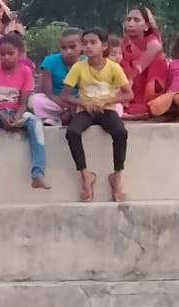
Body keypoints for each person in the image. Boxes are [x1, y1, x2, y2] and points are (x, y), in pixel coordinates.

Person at [61, 28, 133, 203]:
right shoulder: (79, 67)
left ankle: (117, 177)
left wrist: (107, 100)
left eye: (93, 43)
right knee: (72, 132)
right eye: (85, 43)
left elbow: (128, 94)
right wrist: (83, 103)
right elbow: (65, 95)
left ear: (104, 46)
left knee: (120, 132)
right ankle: (86, 175)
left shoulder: (113, 67)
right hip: (86, 110)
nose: (88, 46)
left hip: (107, 110)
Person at [0, 33, 50, 193]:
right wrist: (2, 117)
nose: (6, 57)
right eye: (2, 54)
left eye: (11, 53)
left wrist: (17, 116)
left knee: (36, 124)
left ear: (19, 53)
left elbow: (23, 104)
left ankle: (38, 174)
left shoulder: (26, 72)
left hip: (17, 112)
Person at [119, 5, 167, 119]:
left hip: (145, 86)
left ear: (146, 26)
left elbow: (155, 47)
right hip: (128, 84)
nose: (130, 24)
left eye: (136, 20)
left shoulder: (152, 40)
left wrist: (130, 78)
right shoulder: (125, 41)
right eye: (128, 19)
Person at [30, 28, 83, 127]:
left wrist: (77, 104)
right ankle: (54, 118)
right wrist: (67, 107)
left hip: (78, 101)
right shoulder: (50, 61)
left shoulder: (87, 62)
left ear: (82, 46)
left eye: (72, 47)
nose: (68, 51)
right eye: (64, 48)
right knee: (36, 100)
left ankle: (59, 118)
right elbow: (48, 93)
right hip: (56, 101)